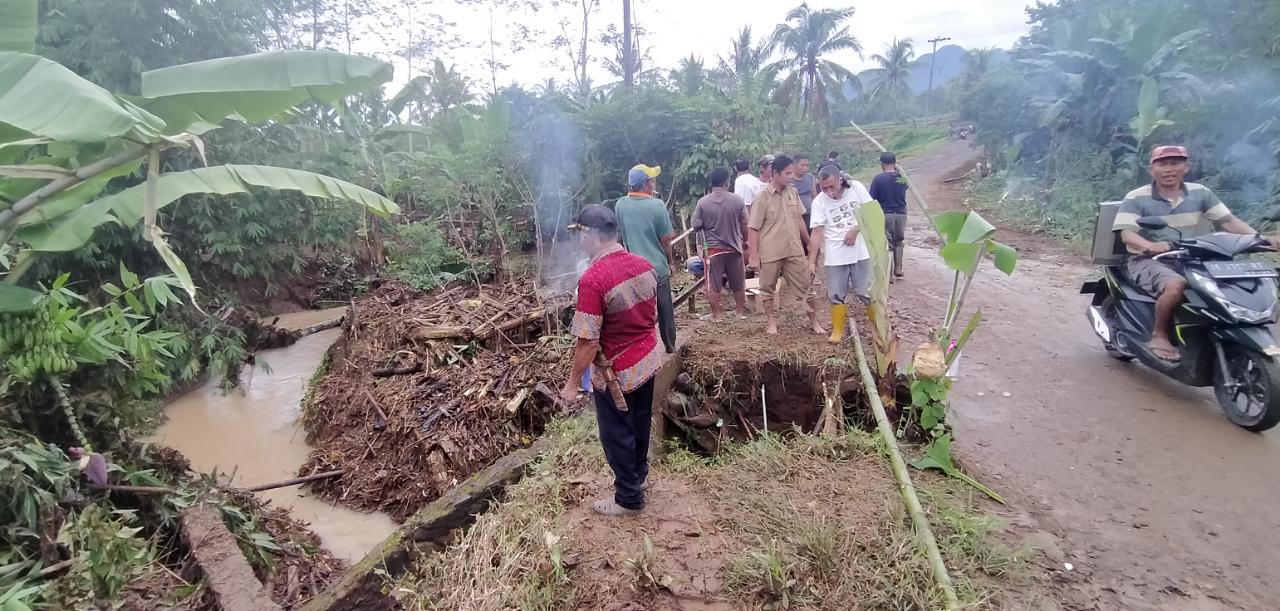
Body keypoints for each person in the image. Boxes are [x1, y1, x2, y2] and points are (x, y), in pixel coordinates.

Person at [560, 204, 663, 516]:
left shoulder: (593, 280)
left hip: (617, 373)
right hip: (648, 358)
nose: (579, 243)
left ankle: (628, 498)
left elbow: (588, 341)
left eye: (580, 235)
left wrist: (572, 384)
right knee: (640, 421)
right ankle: (638, 478)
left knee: (615, 433)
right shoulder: (644, 264)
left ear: (591, 235)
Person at [1112, 145, 1258, 362]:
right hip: (1147, 259)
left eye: (1175, 163)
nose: (1169, 169)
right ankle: (1159, 335)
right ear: (1152, 170)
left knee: (1227, 282)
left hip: (1192, 256)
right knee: (1175, 285)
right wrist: (1149, 245)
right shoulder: (1136, 197)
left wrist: (1258, 238)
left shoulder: (1201, 193)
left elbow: (1227, 221)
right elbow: (1126, 233)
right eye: (1162, 164)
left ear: (1186, 167)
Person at [747, 155, 824, 336]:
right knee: (767, 289)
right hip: (771, 251)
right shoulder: (762, 196)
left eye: (791, 172)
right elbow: (753, 228)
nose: (791, 176)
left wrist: (808, 241)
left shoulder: (792, 192)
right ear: (775, 173)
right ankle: (771, 323)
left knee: (806, 286)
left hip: (793, 249)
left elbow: (798, 218)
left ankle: (814, 322)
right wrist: (753, 256)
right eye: (787, 173)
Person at [615, 164, 677, 353]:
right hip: (657, 268)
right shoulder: (657, 206)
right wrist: (671, 263)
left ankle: (641, 348)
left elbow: (622, 237)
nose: (654, 182)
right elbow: (666, 241)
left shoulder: (620, 205)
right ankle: (669, 345)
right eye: (651, 179)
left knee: (639, 311)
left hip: (633, 269)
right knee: (665, 307)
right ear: (645, 184)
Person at [809, 166, 873, 343]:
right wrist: (811, 261)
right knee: (836, 294)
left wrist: (856, 229)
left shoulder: (857, 188)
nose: (829, 192)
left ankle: (876, 327)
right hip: (836, 255)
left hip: (861, 251)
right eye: (824, 188)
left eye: (832, 187)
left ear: (840, 180)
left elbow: (871, 212)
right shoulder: (819, 202)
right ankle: (838, 331)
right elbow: (817, 232)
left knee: (866, 291)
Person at [692, 167, 750, 320]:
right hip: (734, 247)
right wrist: (745, 241)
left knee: (713, 284)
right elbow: (745, 222)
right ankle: (739, 312)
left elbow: (696, 225)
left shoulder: (702, 203)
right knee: (738, 282)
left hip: (713, 250)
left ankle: (716, 315)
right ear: (727, 182)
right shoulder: (737, 200)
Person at [869, 152, 910, 280]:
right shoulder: (902, 178)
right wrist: (899, 169)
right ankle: (898, 268)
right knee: (899, 242)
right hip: (901, 214)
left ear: (882, 164)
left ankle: (889, 274)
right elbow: (907, 186)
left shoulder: (878, 179)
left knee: (887, 244)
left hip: (885, 214)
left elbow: (872, 199)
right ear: (895, 162)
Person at [793, 155, 816, 228]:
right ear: (794, 165)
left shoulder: (810, 177)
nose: (806, 168)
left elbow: (814, 196)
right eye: (803, 165)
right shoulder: (789, 181)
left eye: (807, 165)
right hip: (796, 217)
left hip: (811, 215)